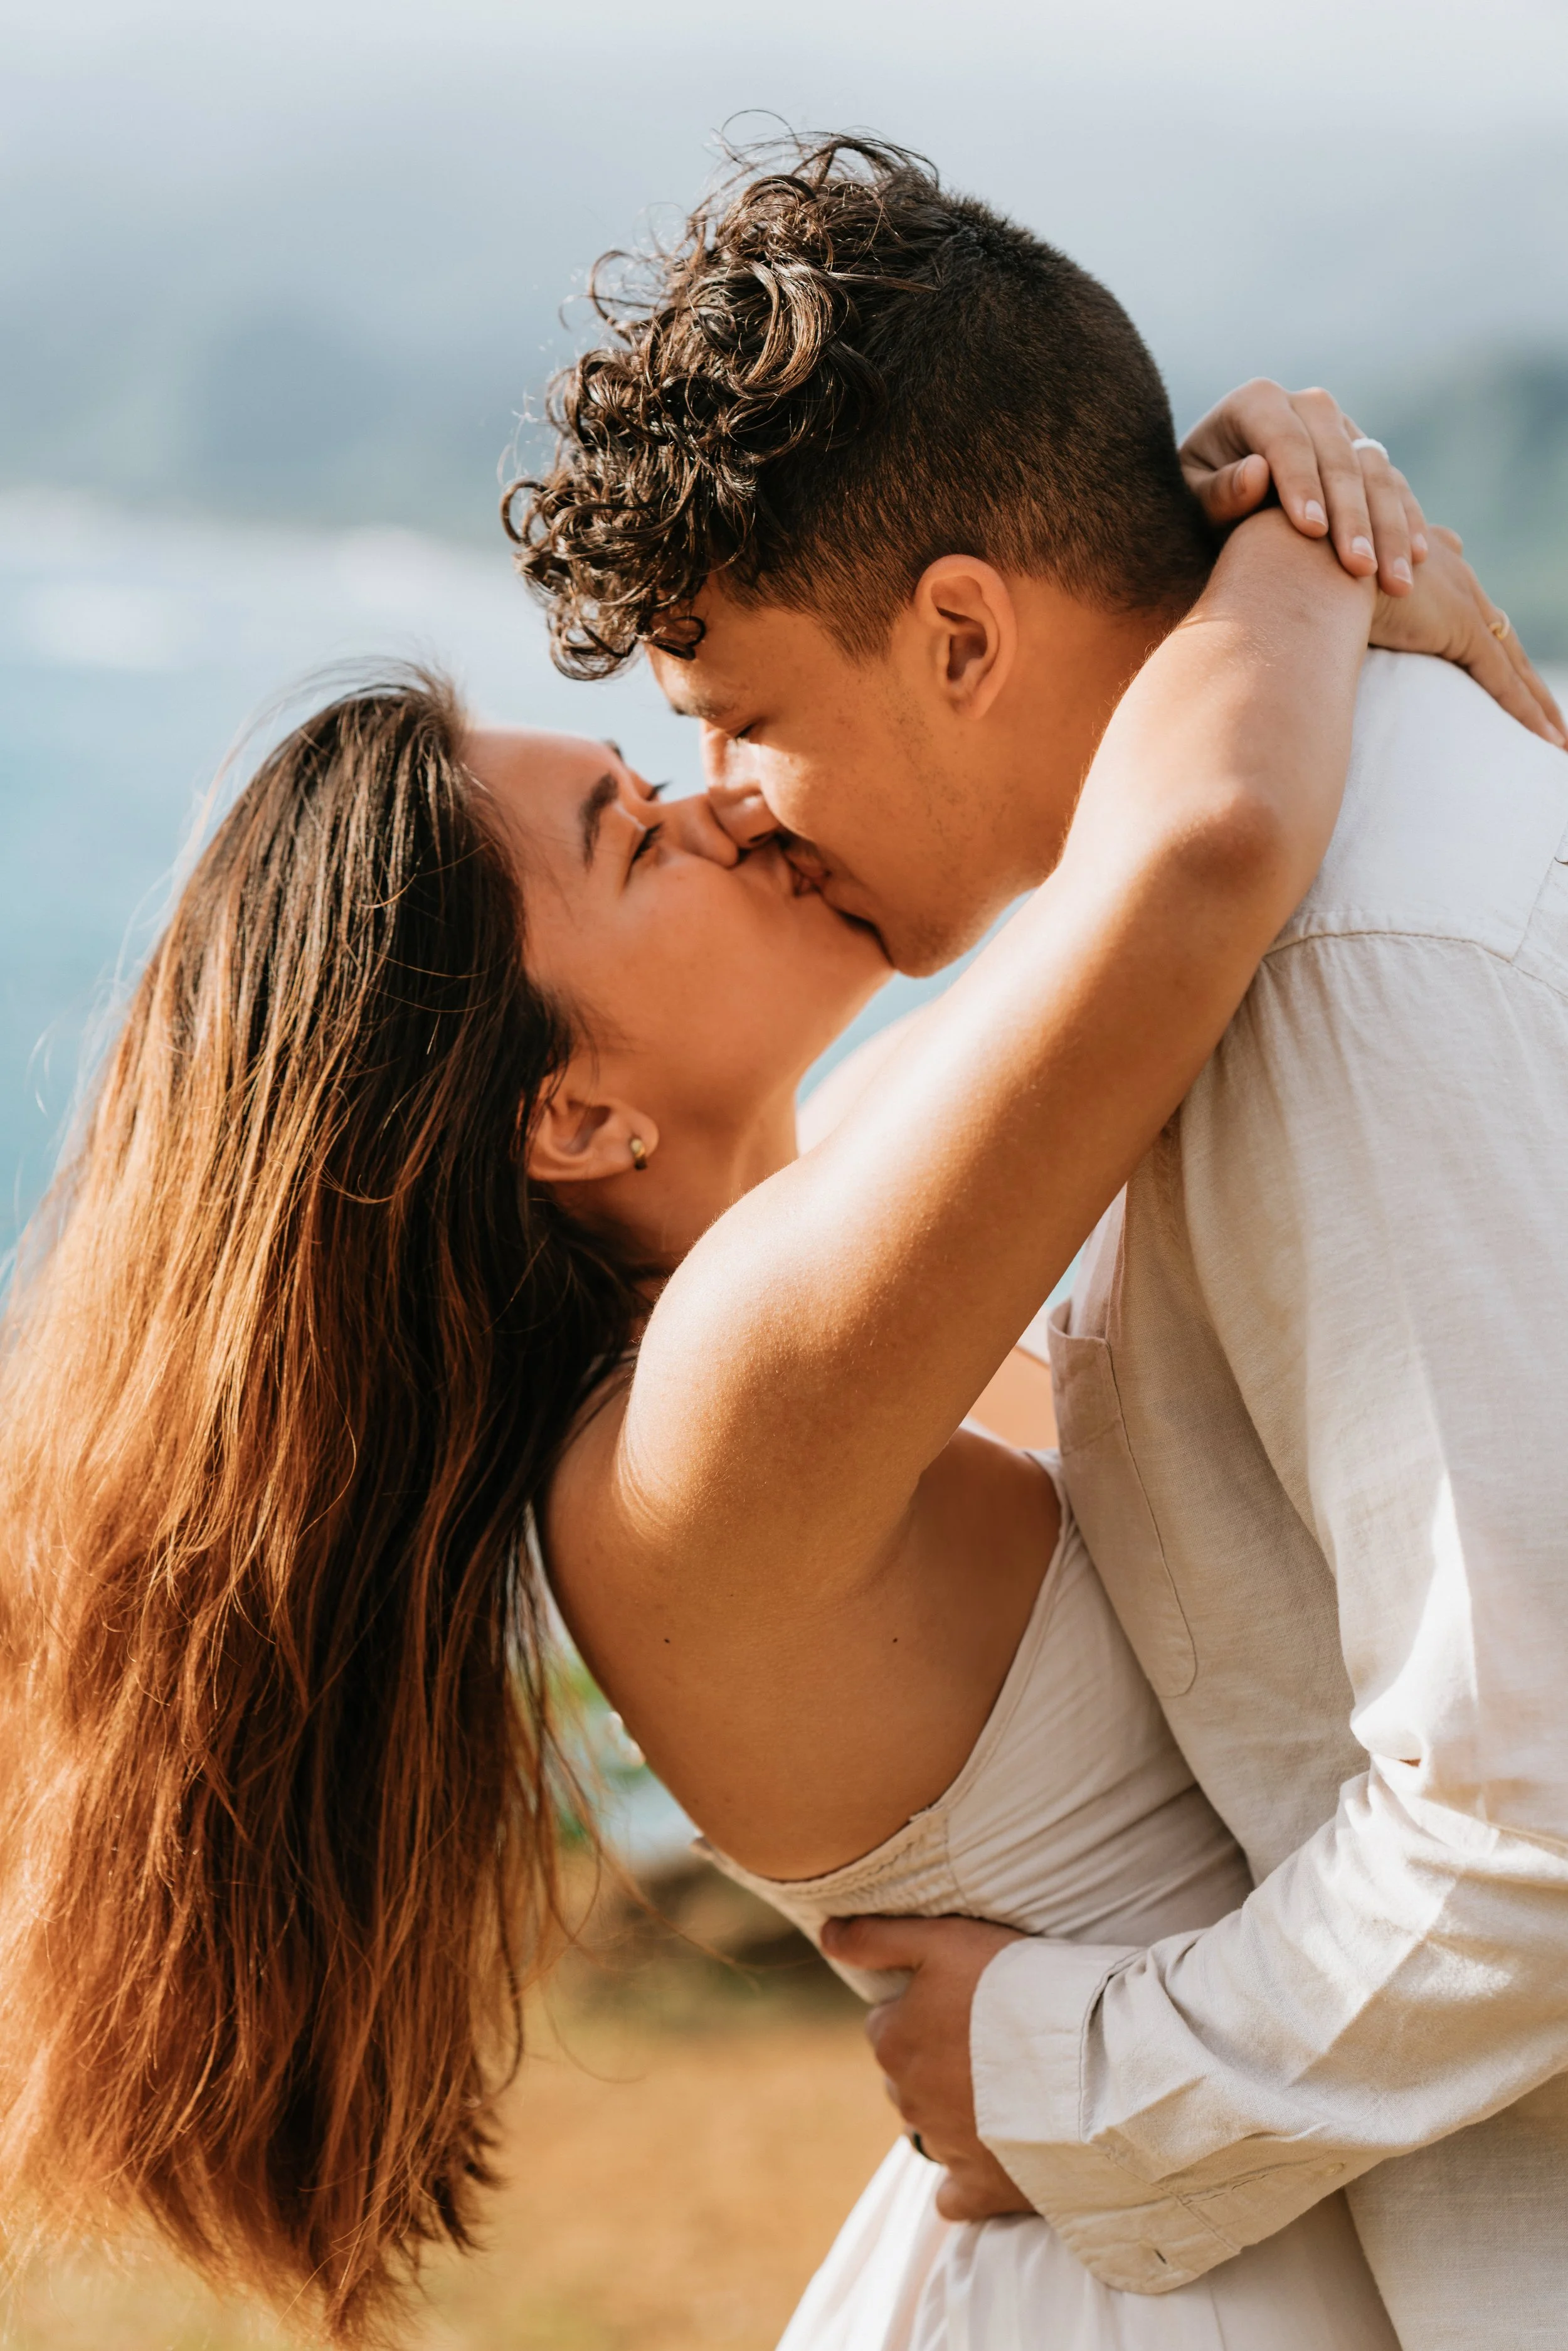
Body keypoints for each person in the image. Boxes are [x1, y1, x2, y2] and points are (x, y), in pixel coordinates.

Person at [0, 366, 1517, 2345]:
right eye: (637, 836)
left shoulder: (852, 1203)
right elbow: (1199, 850)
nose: (725, 798)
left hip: (1210, 2188)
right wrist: (1304, 532)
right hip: (1144, 2272)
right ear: (575, 1119)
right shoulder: (699, 1427)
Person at [512, 135, 1568, 2350]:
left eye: (737, 726)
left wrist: (1055, 2066)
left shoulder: (1337, 970)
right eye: (657, 794)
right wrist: (1296, 538)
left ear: (962, 631)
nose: (726, 803)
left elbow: (1531, 1818)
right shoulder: (1067, 1063)